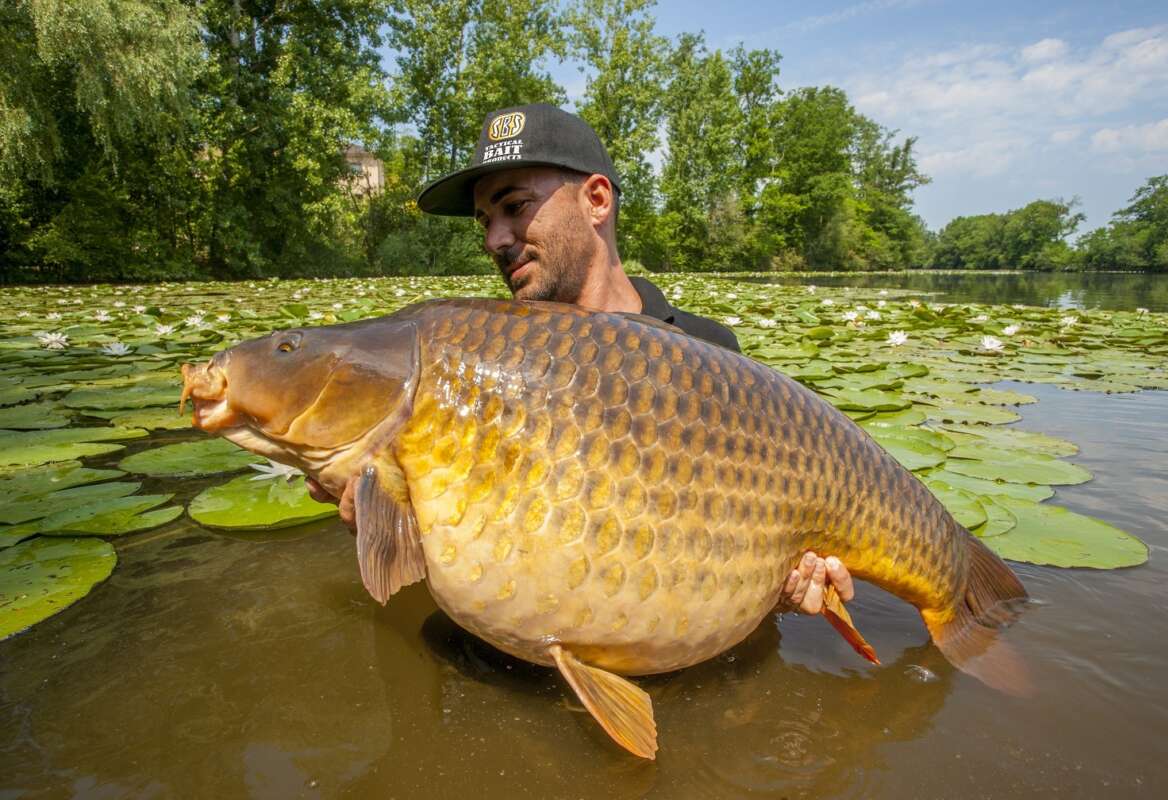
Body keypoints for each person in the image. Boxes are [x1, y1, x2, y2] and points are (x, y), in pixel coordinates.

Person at [310, 103, 853, 616]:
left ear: (596, 200)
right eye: (483, 221)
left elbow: (749, 535)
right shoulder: (479, 361)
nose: (495, 239)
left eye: (515, 207)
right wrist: (393, 522)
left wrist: (775, 588)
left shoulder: (711, 353)